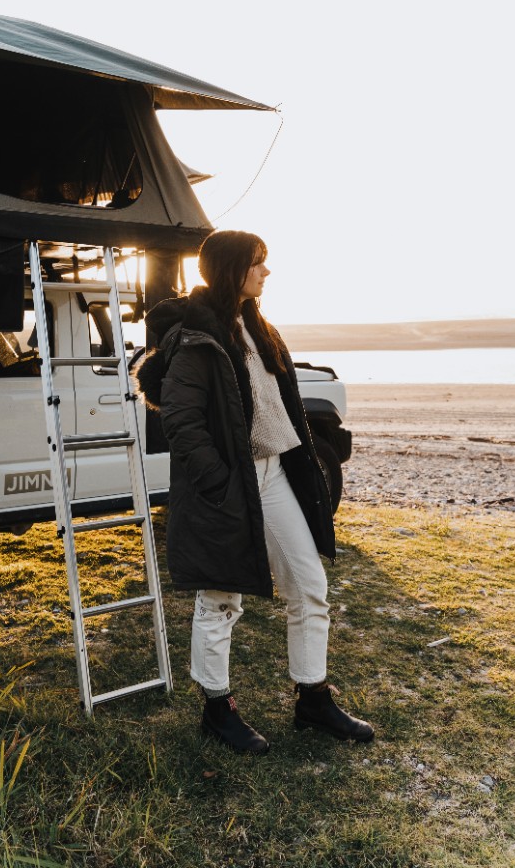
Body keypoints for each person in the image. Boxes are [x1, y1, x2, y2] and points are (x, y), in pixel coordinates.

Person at [136, 230, 373, 754]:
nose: (267, 273)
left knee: (310, 586)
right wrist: (219, 481)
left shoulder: (257, 327)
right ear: (231, 268)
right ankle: (216, 710)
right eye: (258, 263)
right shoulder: (196, 336)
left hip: (275, 477)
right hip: (230, 484)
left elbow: (278, 407)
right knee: (220, 597)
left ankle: (313, 699)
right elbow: (180, 420)